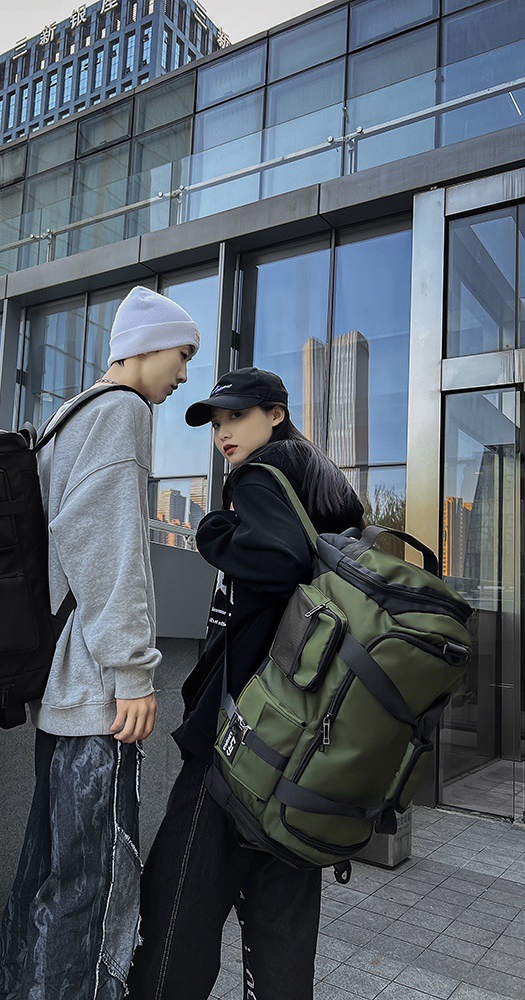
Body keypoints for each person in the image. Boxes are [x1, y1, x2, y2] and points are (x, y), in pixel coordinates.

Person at [128, 367, 364, 1000]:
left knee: (178, 913)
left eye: (236, 416)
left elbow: (277, 560)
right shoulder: (323, 487)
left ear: (275, 414)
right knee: (280, 927)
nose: (223, 433)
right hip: (303, 749)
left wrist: (213, 530)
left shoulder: (262, 475)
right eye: (216, 423)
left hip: (237, 740)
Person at [0, 286, 201, 1000]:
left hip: (63, 684)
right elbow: (109, 550)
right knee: (93, 889)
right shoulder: (123, 412)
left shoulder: (71, 414)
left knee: (47, 877)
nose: (184, 373)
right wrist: (134, 673)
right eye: (181, 354)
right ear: (144, 346)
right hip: (95, 692)